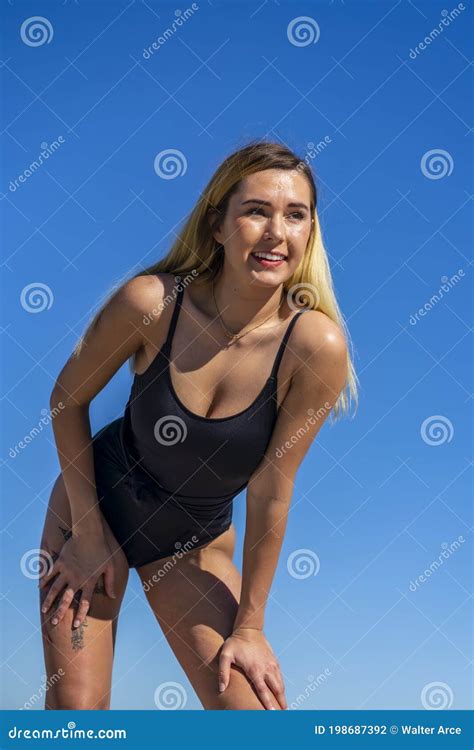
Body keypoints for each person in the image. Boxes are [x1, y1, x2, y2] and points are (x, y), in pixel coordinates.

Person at [38, 140, 357, 710]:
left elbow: (271, 489)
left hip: (191, 545)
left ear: (310, 232)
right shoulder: (152, 303)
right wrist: (88, 536)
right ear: (217, 224)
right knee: (76, 721)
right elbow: (67, 399)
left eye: (295, 215)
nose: (275, 233)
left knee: (255, 725)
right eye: (256, 210)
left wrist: (251, 628)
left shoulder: (314, 346)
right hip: (92, 507)